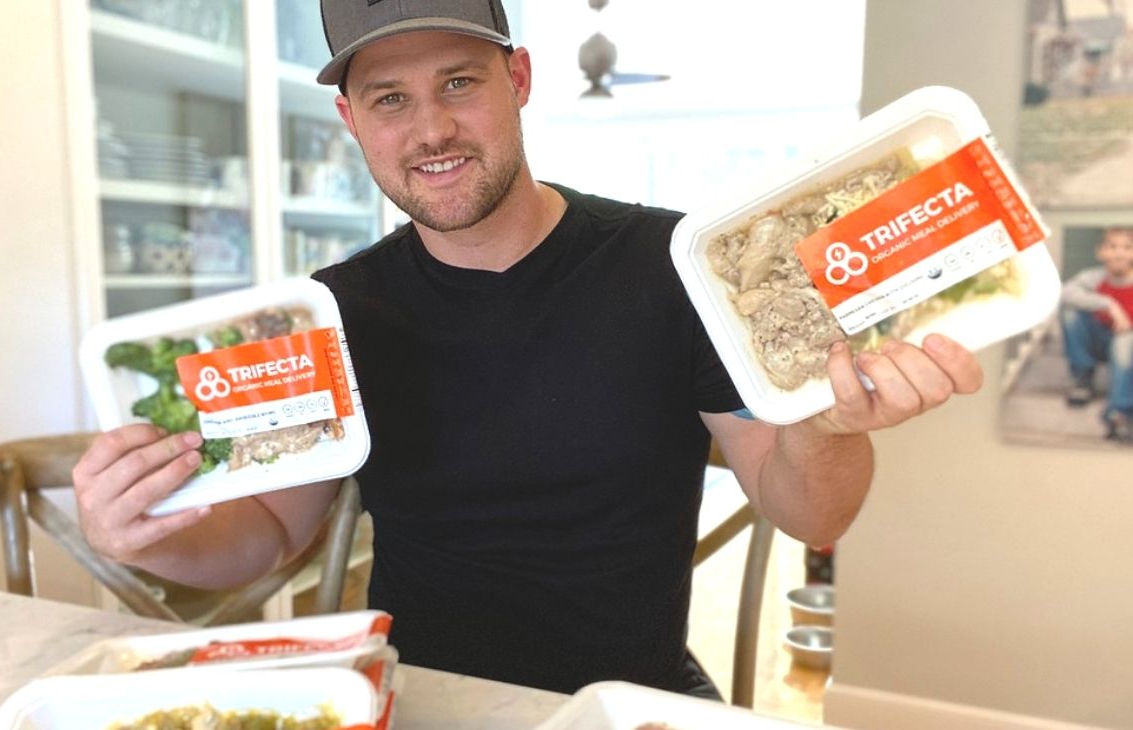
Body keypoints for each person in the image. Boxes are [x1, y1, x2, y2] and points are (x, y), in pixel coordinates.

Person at [71, 0, 983, 698]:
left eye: (458, 82)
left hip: (633, 698)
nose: (428, 130)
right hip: (417, 696)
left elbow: (810, 518)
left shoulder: (677, 267)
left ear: (521, 78)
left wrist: (822, 427)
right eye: (390, 99)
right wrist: (151, 534)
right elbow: (265, 539)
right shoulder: (335, 313)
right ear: (353, 122)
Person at [1059, 227, 1133, 443]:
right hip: (1099, 342)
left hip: (1127, 349)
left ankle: (1119, 413)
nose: (1119, 253)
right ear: (1101, 252)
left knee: (1124, 342)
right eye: (1112, 247)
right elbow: (1066, 293)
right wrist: (1109, 304)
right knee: (1071, 312)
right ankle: (1082, 378)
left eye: (1127, 247)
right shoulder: (1094, 278)